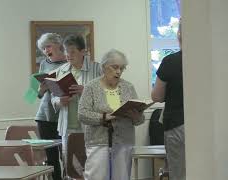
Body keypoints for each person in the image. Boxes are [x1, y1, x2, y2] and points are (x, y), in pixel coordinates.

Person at [78, 49, 144, 180]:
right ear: (103, 67)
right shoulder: (91, 87)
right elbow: (82, 114)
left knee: (122, 177)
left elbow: (140, 119)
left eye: (122, 68)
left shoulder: (128, 87)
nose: (118, 71)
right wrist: (103, 117)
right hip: (98, 142)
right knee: (96, 177)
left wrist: (136, 117)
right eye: (115, 67)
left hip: (124, 141)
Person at [51, 34, 102, 171]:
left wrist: (86, 91)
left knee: (92, 166)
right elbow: (53, 98)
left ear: (83, 51)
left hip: (91, 127)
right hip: (68, 126)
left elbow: (107, 95)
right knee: (71, 167)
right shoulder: (60, 71)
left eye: (72, 51)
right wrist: (59, 101)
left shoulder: (97, 69)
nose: (68, 55)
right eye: (66, 51)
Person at [151, 20, 185, 180]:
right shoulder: (209, 61)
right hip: (204, 124)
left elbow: (157, 96)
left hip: (177, 125)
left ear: (179, 35)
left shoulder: (170, 62)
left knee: (178, 173)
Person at [35, 33, 66, 180]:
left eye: (48, 46)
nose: (46, 50)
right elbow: (36, 95)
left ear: (58, 45)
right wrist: (41, 90)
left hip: (64, 115)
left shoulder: (69, 63)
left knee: (67, 156)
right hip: (44, 116)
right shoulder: (44, 63)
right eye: (43, 48)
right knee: (51, 158)